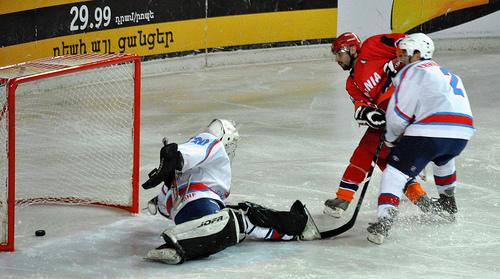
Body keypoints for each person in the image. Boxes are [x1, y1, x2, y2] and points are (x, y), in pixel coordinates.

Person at [142, 119, 321, 264]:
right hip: (201, 205)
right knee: (241, 218)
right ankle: (297, 227)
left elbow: (164, 208)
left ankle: (183, 246)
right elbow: (191, 150)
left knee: (232, 219)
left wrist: (161, 196)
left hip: (184, 217)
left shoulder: (185, 173)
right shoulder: (212, 142)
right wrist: (176, 157)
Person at [366, 33, 474, 244]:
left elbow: (400, 113)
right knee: (443, 157)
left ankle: (384, 222)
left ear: (419, 53)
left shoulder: (412, 71)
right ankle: (448, 201)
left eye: (404, 53)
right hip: (462, 134)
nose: (400, 58)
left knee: (394, 171)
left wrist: (390, 138)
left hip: (430, 132)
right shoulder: (448, 73)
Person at [324, 32, 432, 217]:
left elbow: (406, 41)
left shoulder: (371, 46)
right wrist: (369, 114)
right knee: (384, 157)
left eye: (339, 53)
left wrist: (399, 62)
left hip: (405, 104)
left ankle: (343, 197)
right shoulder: (352, 83)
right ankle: (420, 197)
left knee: (365, 150)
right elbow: (360, 107)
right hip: (389, 116)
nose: (337, 59)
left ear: (352, 48)